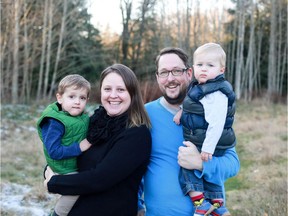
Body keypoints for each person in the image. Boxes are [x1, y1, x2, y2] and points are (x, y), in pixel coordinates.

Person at [44, 63, 152, 216]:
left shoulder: (136, 134)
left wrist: (54, 182)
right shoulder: (95, 121)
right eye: (107, 89)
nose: (113, 95)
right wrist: (51, 171)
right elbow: (69, 150)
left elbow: (100, 179)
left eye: (120, 89)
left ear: (132, 93)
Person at [143, 47, 240, 216]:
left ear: (189, 73)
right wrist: (137, 205)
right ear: (157, 77)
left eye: (176, 71)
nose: (170, 78)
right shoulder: (145, 115)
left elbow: (232, 164)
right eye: (164, 72)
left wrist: (201, 164)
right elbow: (132, 165)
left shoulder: (212, 110)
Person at [173, 43, 236, 216]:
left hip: (210, 143)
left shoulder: (217, 92)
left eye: (210, 65)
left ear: (221, 70)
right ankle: (217, 205)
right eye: (200, 65)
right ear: (193, 68)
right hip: (202, 140)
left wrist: (208, 147)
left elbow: (216, 123)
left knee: (186, 168)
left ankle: (200, 204)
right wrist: (181, 111)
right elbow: (193, 104)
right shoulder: (200, 87)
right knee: (205, 174)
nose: (204, 69)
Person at [37, 74, 92, 216]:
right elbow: (53, 151)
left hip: (72, 164)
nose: (77, 102)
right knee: (77, 188)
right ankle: (57, 214)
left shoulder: (81, 117)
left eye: (82, 98)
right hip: (62, 166)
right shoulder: (55, 122)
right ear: (59, 98)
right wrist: (80, 147)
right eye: (72, 96)